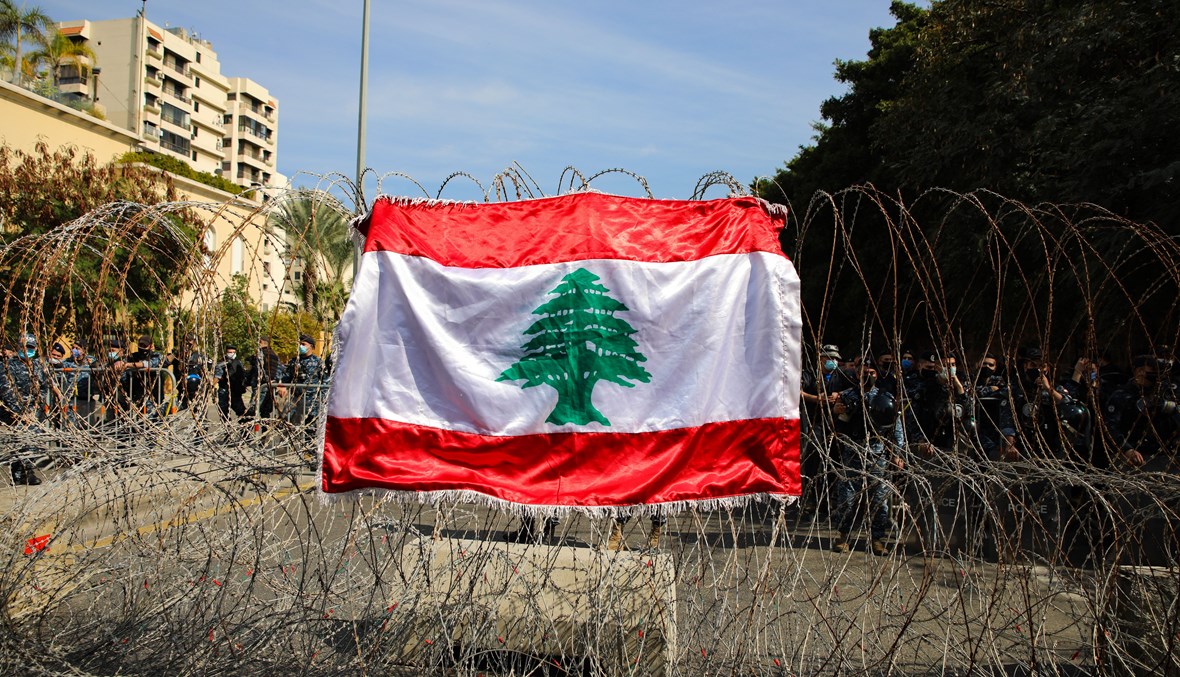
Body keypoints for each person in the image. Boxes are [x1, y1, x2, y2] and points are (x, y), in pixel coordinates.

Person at [831, 357, 906, 555]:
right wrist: (836, 412)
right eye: (864, 373)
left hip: (877, 452)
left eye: (871, 373)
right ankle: (844, 536)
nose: (868, 376)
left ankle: (877, 539)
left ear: (877, 374)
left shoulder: (885, 397)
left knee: (879, 499)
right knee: (847, 498)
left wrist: (897, 453)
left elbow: (895, 427)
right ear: (857, 374)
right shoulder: (847, 396)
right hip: (853, 451)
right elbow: (837, 428)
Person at [1, 334, 49, 485]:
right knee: (20, 442)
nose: (27, 350)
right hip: (14, 412)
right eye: (24, 347)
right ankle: (19, 474)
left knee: (31, 441)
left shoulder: (37, 366)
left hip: (33, 412)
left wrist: (35, 410)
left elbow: (43, 388)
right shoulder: (8, 366)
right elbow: (7, 391)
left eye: (30, 347)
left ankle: (27, 472)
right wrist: (20, 413)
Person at [245, 336, 283, 420]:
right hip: (270, 386)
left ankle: (246, 427)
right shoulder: (274, 355)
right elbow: (279, 371)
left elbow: (259, 370)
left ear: (261, 342)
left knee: (253, 410)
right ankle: (265, 427)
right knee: (265, 411)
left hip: (262, 385)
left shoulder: (261, 354)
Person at [214, 345, 247, 421]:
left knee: (239, 410)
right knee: (224, 412)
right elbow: (218, 376)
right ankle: (228, 425)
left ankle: (245, 424)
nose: (231, 354)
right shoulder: (223, 363)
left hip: (234, 390)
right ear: (226, 352)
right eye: (230, 352)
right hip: (225, 389)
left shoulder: (238, 362)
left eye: (233, 352)